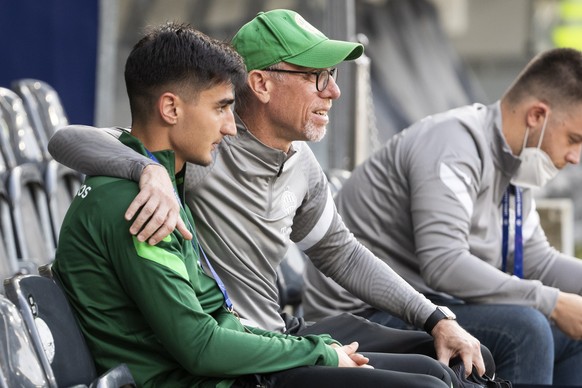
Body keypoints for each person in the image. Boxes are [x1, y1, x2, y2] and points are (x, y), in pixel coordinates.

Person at [48, 9, 490, 380]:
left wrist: (434, 317)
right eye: (317, 76)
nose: (333, 91)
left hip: (267, 332)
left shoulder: (297, 162)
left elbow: (343, 255)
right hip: (241, 350)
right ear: (260, 85)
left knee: (460, 360)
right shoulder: (195, 154)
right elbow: (69, 139)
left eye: (332, 76)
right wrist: (147, 169)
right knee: (433, 379)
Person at [298, 47, 582, 386]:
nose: (576, 157)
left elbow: (538, 260)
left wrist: (561, 302)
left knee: (572, 334)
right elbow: (444, 263)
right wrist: (551, 301)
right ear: (537, 115)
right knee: (528, 328)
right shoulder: (454, 144)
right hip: (363, 313)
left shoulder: (516, 167)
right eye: (574, 139)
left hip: (427, 306)